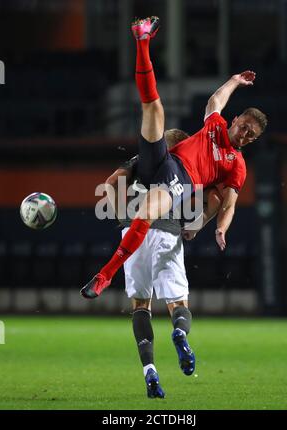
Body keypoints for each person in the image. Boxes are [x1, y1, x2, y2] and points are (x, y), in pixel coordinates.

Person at [81, 16, 267, 306]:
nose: (244, 134)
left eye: (250, 134)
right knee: (154, 108)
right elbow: (216, 100)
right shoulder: (215, 126)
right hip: (164, 160)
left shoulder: (236, 164)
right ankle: (143, 40)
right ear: (235, 120)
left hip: (180, 178)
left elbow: (228, 202)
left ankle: (104, 275)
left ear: (253, 141)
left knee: (145, 214)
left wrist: (220, 228)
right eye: (243, 126)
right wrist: (233, 81)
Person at [104, 141, 222, 398]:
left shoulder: (140, 161)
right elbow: (214, 197)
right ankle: (179, 332)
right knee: (178, 302)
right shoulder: (187, 165)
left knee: (140, 306)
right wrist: (197, 225)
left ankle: (150, 370)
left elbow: (111, 182)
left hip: (133, 231)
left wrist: (120, 217)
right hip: (167, 232)